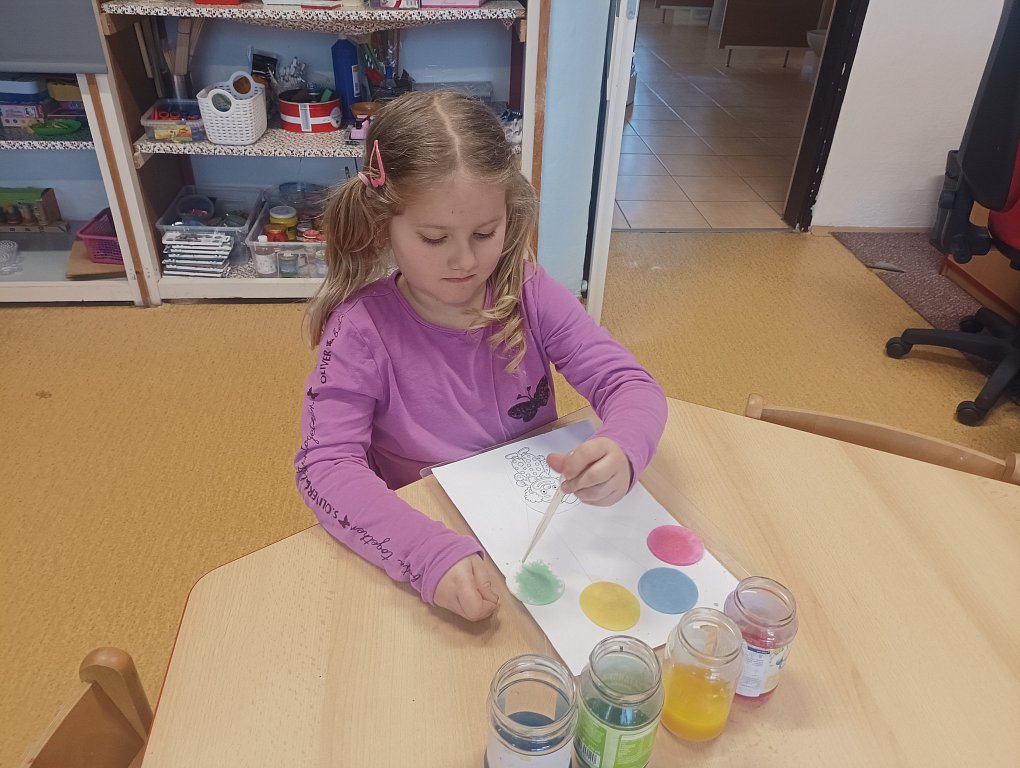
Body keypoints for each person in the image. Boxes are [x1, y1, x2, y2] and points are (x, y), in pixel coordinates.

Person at [295, 91, 666, 622]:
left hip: (539, 533)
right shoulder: (359, 332)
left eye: (485, 233)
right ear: (383, 226)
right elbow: (325, 468)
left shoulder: (528, 291)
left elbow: (628, 383)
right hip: (429, 535)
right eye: (434, 238)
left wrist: (625, 445)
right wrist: (424, 551)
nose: (465, 260)